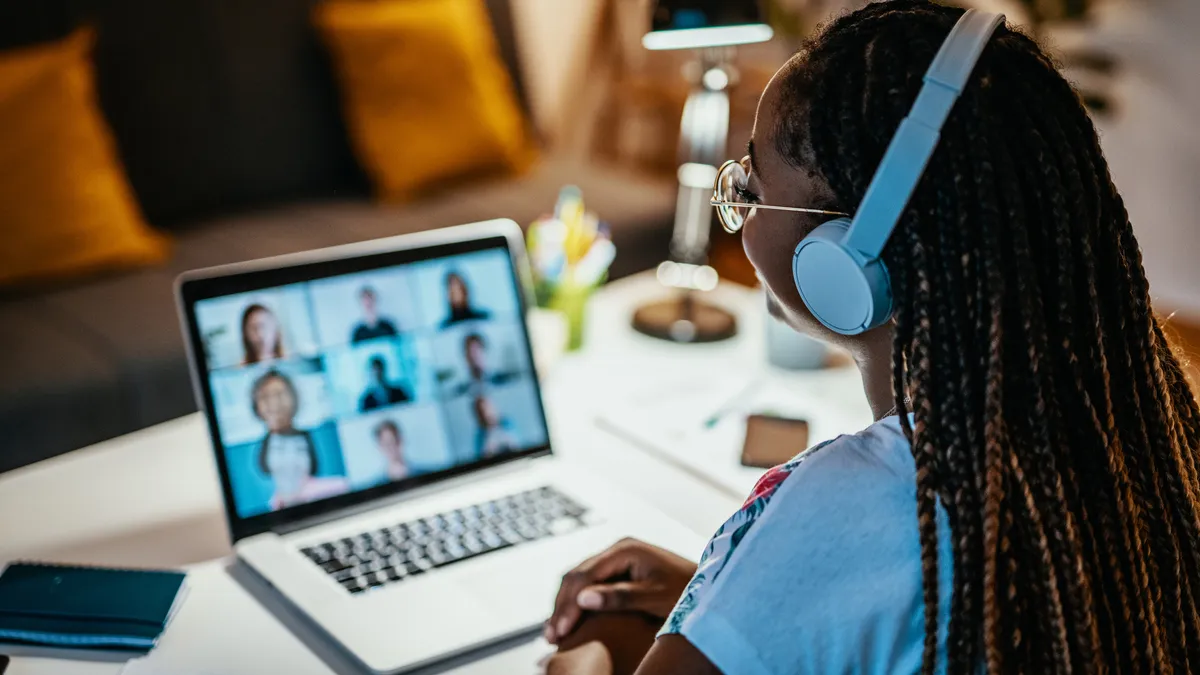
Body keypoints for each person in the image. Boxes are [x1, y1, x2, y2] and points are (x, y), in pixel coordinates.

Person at [541, 3, 1200, 674]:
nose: (736, 213)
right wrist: (730, 599)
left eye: (750, 186)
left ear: (848, 258)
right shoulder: (1140, 439)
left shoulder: (858, 499)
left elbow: (857, 560)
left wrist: (582, 655)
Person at [251, 370, 349, 511]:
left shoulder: (338, 487)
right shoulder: (272, 506)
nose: (274, 403)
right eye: (266, 397)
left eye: (279, 395)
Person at [449, 333, 518, 397]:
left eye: (476, 351)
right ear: (466, 358)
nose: (473, 357)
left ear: (484, 352)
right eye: (469, 353)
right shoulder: (462, 390)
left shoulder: (502, 380)